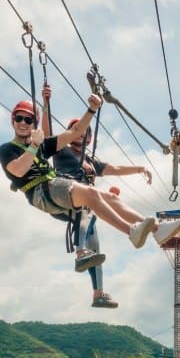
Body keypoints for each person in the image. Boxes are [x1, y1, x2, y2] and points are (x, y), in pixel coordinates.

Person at [0, 86, 180, 255]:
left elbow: (76, 131)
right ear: (13, 121)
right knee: (90, 195)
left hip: (60, 189)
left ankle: (158, 230)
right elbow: (19, 170)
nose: (23, 122)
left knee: (110, 198)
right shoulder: (7, 149)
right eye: (19, 118)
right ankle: (130, 232)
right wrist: (36, 140)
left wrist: (91, 110)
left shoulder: (67, 152)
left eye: (28, 119)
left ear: (33, 123)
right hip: (42, 191)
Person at [52, 115, 154, 308]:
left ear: (89, 139)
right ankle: (81, 252)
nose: (80, 133)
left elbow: (115, 168)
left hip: (86, 206)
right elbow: (48, 133)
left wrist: (140, 168)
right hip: (65, 195)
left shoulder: (90, 161)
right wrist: (46, 103)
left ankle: (98, 294)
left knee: (95, 248)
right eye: (76, 130)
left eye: (84, 131)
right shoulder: (61, 150)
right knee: (87, 207)